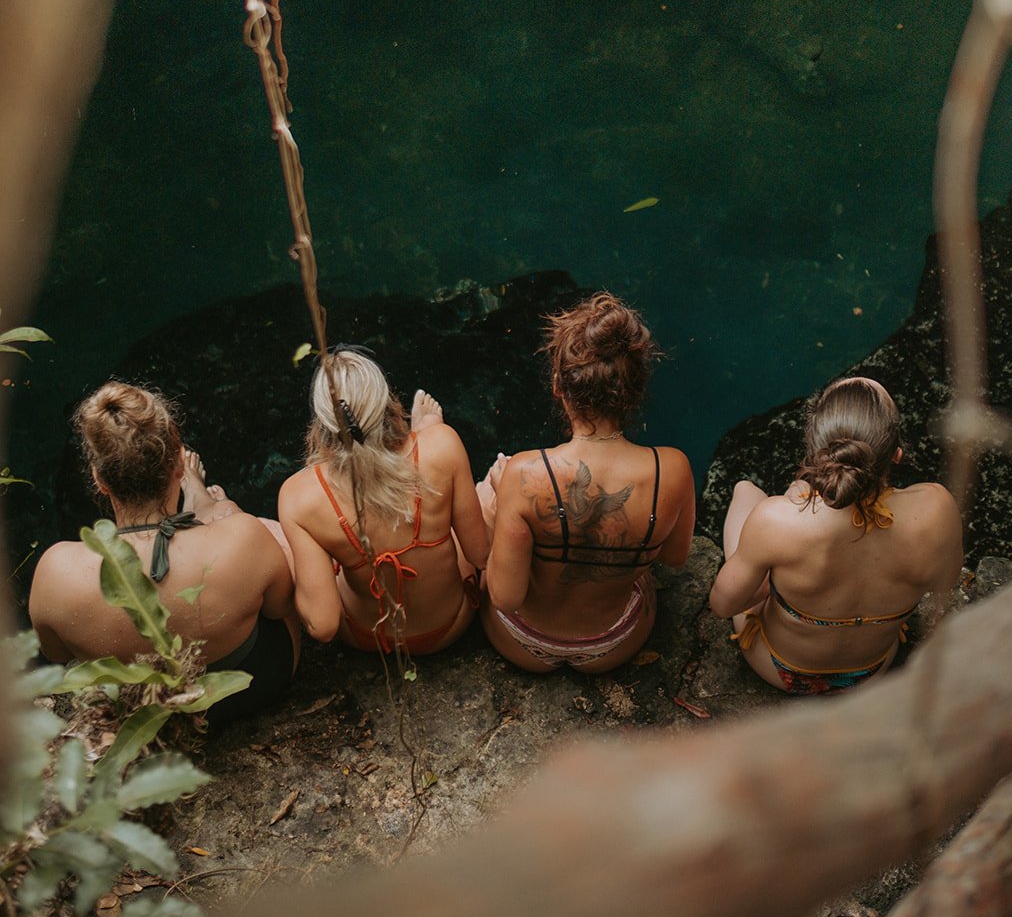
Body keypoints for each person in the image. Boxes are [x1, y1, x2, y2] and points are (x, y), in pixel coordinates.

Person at [29, 381, 300, 719]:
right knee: (261, 537)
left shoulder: (56, 570)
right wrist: (221, 515)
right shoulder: (243, 536)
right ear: (177, 467)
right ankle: (201, 499)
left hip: (137, 711)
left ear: (99, 479)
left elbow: (56, 652)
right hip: (248, 689)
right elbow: (280, 607)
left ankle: (201, 504)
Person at [481, 292, 695, 673]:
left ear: (559, 386)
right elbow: (674, 558)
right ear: (634, 390)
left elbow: (505, 596)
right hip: (613, 644)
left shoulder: (526, 471)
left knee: (486, 493)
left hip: (522, 643)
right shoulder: (673, 468)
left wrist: (501, 503)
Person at [709, 375, 964, 695]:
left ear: (816, 454)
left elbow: (722, 606)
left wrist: (775, 578)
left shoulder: (776, 520)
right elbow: (947, 581)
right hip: (871, 671)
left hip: (782, 668)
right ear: (897, 454)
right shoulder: (938, 507)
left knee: (746, 491)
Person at [278, 351, 488, 655]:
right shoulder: (445, 444)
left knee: (287, 544)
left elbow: (323, 627)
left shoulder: (298, 496)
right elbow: (480, 556)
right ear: (386, 403)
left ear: (322, 424)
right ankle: (423, 429)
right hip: (450, 626)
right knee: (481, 492)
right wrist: (432, 434)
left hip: (369, 638)